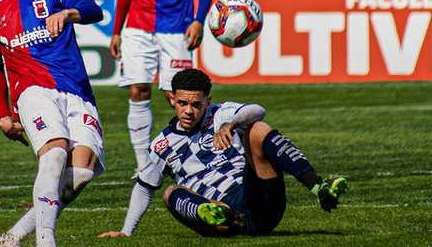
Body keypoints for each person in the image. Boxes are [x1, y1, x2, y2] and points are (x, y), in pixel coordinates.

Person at [0, 0, 105, 247]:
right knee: (54, 154)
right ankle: (46, 242)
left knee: (83, 170)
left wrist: (69, 13)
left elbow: (92, 10)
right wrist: (3, 113)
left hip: (76, 90)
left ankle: (12, 238)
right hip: (31, 89)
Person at [98, 69, 348, 238]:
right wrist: (126, 231)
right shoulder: (162, 145)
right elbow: (144, 188)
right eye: (183, 103)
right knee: (170, 193)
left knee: (257, 130)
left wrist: (231, 125)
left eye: (196, 104)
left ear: (208, 101)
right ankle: (217, 213)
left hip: (259, 200)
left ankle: (319, 188)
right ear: (172, 100)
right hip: (223, 220)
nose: (189, 111)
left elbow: (258, 110)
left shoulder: (220, 114)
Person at [110, 0, 215, 177]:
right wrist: (117, 29)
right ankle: (144, 165)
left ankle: (188, 158)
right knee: (138, 89)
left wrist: (198, 19)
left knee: (180, 96)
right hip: (138, 26)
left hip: (176, 28)